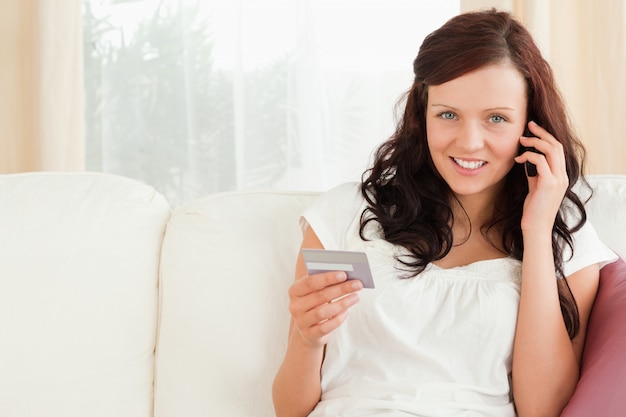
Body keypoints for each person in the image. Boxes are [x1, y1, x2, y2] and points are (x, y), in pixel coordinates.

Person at [272, 9, 617, 417]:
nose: (469, 142)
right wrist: (307, 339)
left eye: (496, 119)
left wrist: (538, 230)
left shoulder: (567, 242)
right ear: (422, 114)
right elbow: (290, 410)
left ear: (532, 126)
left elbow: (543, 409)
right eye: (448, 114)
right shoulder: (345, 215)